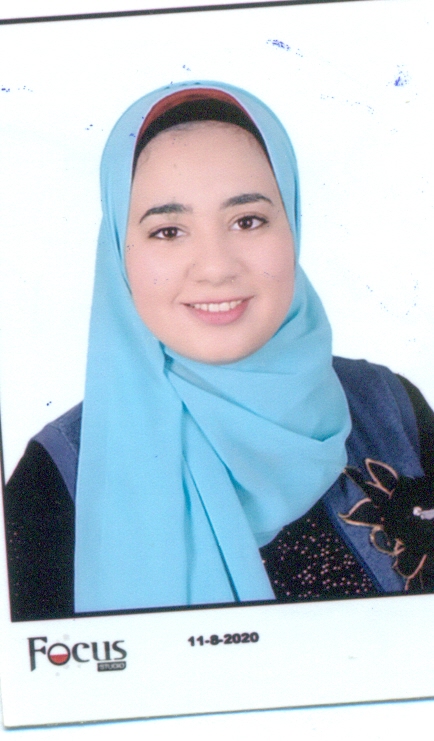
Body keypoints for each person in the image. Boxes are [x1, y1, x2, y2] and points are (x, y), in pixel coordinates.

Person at [4, 81, 434, 622]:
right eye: (168, 231)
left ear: (292, 225)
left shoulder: (389, 409)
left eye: (247, 221)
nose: (215, 267)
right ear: (120, 251)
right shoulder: (57, 478)